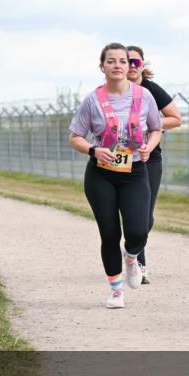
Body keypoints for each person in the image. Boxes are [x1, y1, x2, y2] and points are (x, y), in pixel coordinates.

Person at [69, 43, 162, 309]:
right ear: (102, 66)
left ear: (129, 66)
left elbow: (156, 129)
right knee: (109, 232)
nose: (118, 65)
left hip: (134, 171)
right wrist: (93, 150)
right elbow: (75, 137)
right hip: (101, 174)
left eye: (123, 61)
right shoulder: (92, 100)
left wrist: (149, 147)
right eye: (111, 61)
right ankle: (116, 290)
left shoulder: (144, 96)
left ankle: (131, 257)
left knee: (138, 230)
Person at [126, 45, 182, 284]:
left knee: (145, 217)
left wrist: (149, 122)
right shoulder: (112, 90)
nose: (131, 66)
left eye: (136, 62)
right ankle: (139, 263)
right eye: (126, 61)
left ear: (142, 65)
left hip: (149, 158)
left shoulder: (151, 89)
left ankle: (131, 251)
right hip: (120, 159)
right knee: (131, 212)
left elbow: (176, 119)